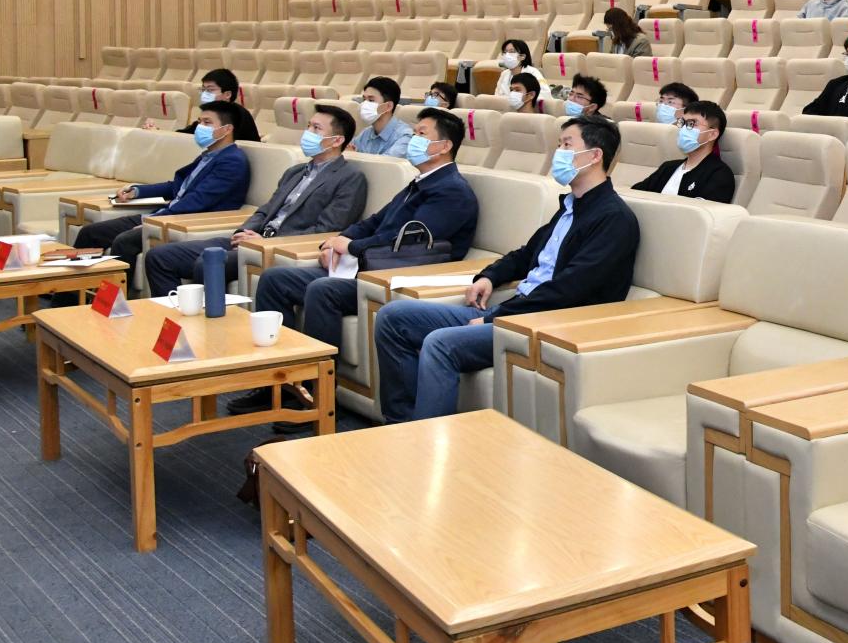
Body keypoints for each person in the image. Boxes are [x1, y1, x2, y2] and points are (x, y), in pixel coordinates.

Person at [374, 116, 638, 423]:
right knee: (393, 317)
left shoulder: (613, 219)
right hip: (516, 310)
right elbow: (526, 255)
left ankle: (426, 439)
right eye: (559, 145)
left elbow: (568, 290)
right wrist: (490, 276)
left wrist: (495, 316)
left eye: (567, 145)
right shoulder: (570, 206)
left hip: (546, 322)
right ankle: (400, 424)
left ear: (595, 156)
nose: (559, 153)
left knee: (440, 343)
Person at [243, 108, 479, 431]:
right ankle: (279, 384)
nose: (414, 139)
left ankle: (318, 399)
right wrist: (337, 240)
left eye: (422, 134)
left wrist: (352, 247)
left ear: (444, 146)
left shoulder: (451, 191)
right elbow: (376, 221)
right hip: (368, 268)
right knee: (275, 279)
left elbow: (408, 240)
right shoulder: (419, 183)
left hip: (399, 277)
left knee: (323, 290)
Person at [144, 104, 368, 296]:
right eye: (308, 126)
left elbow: (327, 229)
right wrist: (245, 231)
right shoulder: (295, 171)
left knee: (209, 262)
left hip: (280, 248)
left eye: (316, 129)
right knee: (160, 257)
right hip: (254, 239)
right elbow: (266, 210)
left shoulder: (350, 178)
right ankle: (175, 318)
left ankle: (211, 323)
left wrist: (264, 242)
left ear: (337, 140)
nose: (307, 132)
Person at [78, 99, 258, 283]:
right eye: (199, 122)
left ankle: (114, 297)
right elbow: (177, 187)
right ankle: (72, 293)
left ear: (227, 129)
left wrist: (155, 221)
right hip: (165, 215)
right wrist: (137, 191)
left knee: (125, 241)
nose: (200, 127)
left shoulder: (232, 161)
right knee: (90, 233)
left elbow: (197, 201)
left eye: (207, 122)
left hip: (184, 221)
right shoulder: (209, 155)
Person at [633, 100, 736, 201]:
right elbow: (634, 195)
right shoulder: (668, 167)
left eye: (692, 124)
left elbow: (701, 211)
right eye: (682, 123)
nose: (684, 129)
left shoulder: (720, 174)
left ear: (712, 134)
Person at [141, 67, 242, 131]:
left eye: (210, 90)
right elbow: (182, 136)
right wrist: (157, 132)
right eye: (203, 90)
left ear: (227, 94)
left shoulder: (240, 117)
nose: (204, 94)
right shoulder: (206, 116)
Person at [350, 77, 414, 155]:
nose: (364, 104)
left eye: (371, 100)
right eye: (364, 100)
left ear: (388, 106)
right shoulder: (366, 133)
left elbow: (386, 162)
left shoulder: (405, 136)